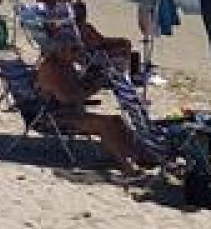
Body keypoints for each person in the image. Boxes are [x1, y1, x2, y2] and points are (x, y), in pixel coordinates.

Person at [35, 39, 148, 176]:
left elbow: (76, 89)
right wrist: (93, 88)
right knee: (104, 125)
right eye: (74, 50)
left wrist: (95, 82)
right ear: (60, 50)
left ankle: (135, 156)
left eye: (78, 49)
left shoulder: (65, 65)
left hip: (71, 113)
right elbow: (66, 98)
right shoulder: (52, 69)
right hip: (55, 118)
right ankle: (126, 167)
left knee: (116, 121)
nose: (78, 54)